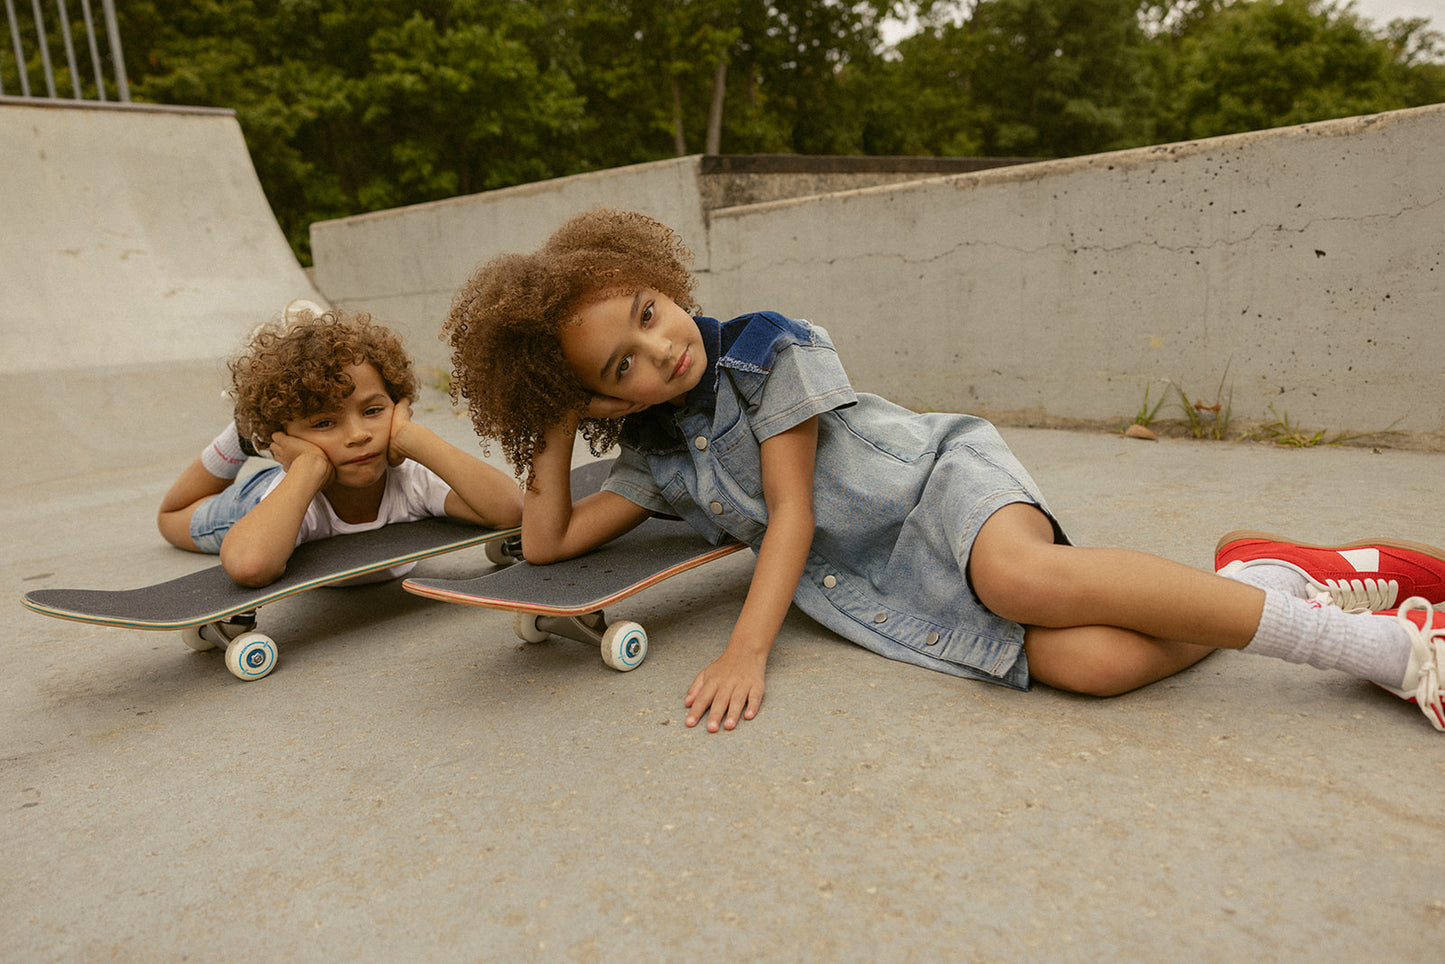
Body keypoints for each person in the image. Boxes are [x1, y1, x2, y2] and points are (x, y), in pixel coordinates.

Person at [441, 208, 1445, 734]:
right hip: (893, 579)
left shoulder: (761, 352)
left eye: (648, 315)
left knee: (1018, 579)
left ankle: (1381, 650)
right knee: (1093, 668)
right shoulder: (657, 456)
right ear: (605, 401)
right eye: (619, 366)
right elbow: (549, 542)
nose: (659, 351)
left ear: (663, 285)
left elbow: (790, 514)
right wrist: (553, 423)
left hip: (938, 486)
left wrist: (747, 649)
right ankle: (1266, 579)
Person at [158, 300, 522, 587]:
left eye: (373, 410)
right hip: (267, 502)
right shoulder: (297, 491)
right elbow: (250, 565)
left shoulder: (411, 478)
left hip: (307, 473)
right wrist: (308, 467)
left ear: (398, 405)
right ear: (284, 437)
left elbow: (512, 509)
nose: (358, 435)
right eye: (324, 422)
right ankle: (240, 437)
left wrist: (413, 437)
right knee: (171, 519)